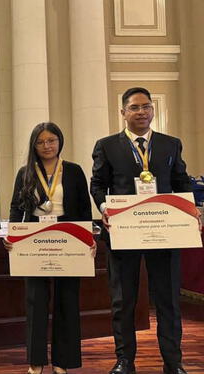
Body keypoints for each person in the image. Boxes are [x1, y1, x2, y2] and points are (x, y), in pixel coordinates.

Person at [91, 87, 195, 374]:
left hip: (164, 233)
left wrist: (193, 209)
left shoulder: (170, 144)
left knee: (168, 301)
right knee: (123, 301)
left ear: (152, 110)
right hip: (123, 234)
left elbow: (181, 182)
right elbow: (98, 184)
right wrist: (104, 208)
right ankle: (125, 361)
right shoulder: (107, 145)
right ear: (123, 112)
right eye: (135, 107)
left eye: (146, 106)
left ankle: (173, 363)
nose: (141, 112)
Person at [6, 122, 95, 374]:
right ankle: (36, 361)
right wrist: (13, 234)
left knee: (67, 300)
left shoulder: (74, 171)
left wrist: (88, 238)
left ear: (60, 142)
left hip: (68, 239)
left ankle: (62, 361)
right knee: (36, 301)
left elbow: (84, 209)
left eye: (52, 140)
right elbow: (16, 208)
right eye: (41, 141)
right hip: (35, 240)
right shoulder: (25, 172)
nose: (47, 146)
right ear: (34, 145)